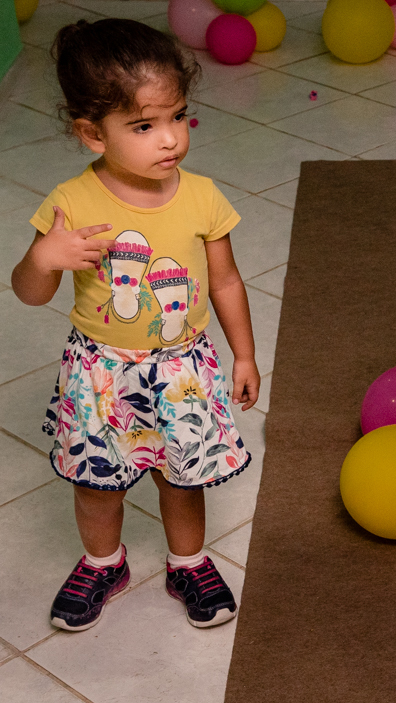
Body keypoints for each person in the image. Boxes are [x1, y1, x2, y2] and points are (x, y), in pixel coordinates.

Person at [10, 19, 257, 631]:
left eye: (178, 116)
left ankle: (188, 562)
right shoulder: (72, 203)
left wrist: (245, 355)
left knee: (182, 478)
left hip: (182, 368)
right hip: (100, 370)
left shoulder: (202, 196)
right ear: (92, 133)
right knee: (97, 484)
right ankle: (104, 563)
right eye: (144, 125)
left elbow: (226, 281)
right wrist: (44, 258)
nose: (170, 138)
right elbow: (29, 293)